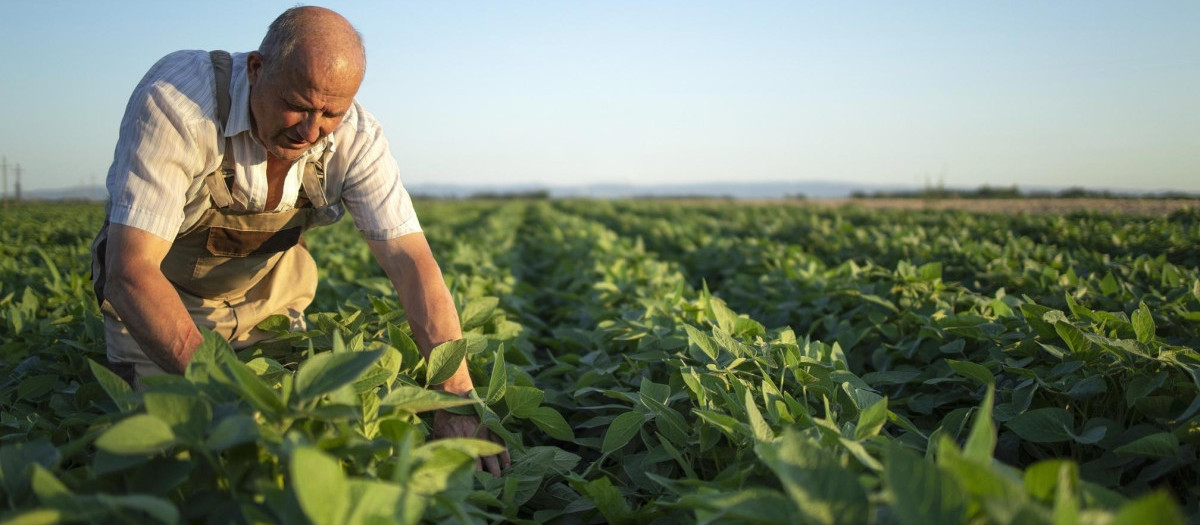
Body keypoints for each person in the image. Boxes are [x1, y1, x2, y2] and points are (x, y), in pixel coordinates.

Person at [89, 6, 510, 475]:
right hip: (162, 305)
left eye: (331, 112)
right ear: (256, 69)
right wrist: (235, 398)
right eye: (298, 104)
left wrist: (453, 399)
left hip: (269, 300)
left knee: (310, 449)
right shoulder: (179, 103)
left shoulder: (358, 138)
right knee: (181, 458)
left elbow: (411, 263)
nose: (311, 131)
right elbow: (130, 274)